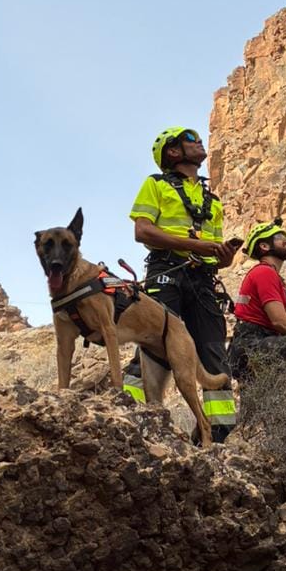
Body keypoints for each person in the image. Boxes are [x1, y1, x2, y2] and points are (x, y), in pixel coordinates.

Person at [122, 126, 241, 443]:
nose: (200, 142)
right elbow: (143, 232)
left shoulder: (211, 201)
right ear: (173, 152)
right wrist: (195, 247)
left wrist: (224, 256)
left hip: (202, 282)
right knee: (155, 344)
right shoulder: (155, 185)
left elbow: (217, 258)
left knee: (214, 353)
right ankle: (130, 416)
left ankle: (219, 433)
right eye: (191, 140)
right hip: (167, 272)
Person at [228, 221, 286, 382]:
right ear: (265, 246)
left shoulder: (266, 274)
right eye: (279, 237)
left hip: (247, 347)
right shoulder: (265, 273)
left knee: (263, 401)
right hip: (254, 344)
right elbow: (280, 321)